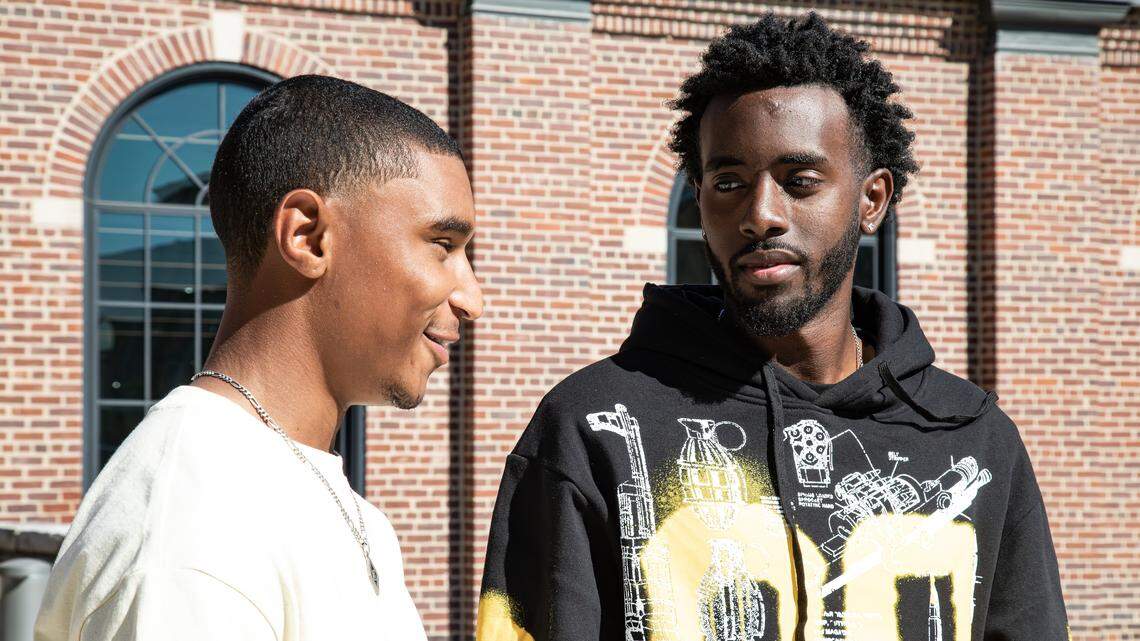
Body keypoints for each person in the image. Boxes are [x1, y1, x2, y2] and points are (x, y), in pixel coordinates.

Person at [477, 13, 1067, 641]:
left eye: (799, 181)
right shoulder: (588, 426)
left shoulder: (975, 438)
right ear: (700, 201)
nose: (760, 215)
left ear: (871, 201)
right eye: (727, 182)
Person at [36, 75, 482, 640]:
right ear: (307, 237)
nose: (473, 299)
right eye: (442, 246)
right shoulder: (195, 533)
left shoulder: (320, 499)